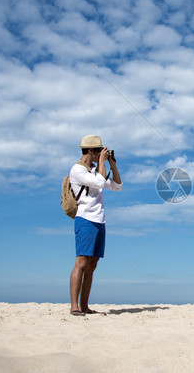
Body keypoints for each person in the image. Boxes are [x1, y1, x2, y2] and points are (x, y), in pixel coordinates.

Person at [69, 135, 122, 316]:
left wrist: (112, 164)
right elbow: (99, 182)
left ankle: (85, 306)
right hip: (85, 219)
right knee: (81, 262)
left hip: (100, 220)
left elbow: (117, 186)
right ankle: (74, 306)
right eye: (99, 151)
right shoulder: (78, 170)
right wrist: (102, 162)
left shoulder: (94, 170)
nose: (101, 153)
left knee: (92, 264)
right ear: (91, 151)